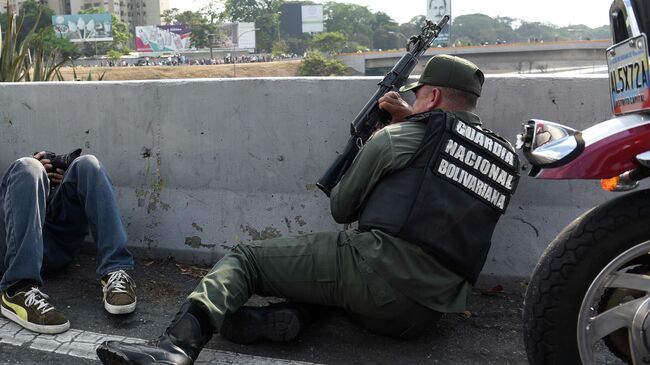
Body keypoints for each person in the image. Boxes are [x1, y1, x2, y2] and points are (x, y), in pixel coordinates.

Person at [96, 55, 519, 365]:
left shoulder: (397, 138)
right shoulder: (502, 158)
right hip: (424, 314)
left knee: (246, 259)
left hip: (377, 277)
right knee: (331, 286)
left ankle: (175, 347)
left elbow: (342, 207)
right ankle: (287, 319)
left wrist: (387, 134)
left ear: (433, 95)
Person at [0, 151, 136, 334]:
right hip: (10, 244)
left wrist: (60, 184)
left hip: (54, 243)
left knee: (88, 164)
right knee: (27, 167)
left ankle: (114, 271)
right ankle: (17, 289)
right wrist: (32, 172)